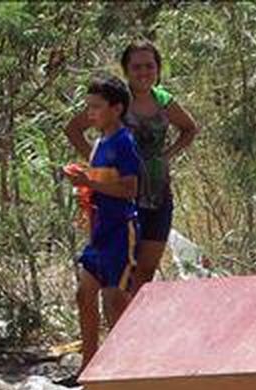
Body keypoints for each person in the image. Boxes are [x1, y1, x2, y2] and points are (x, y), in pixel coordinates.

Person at [68, 40, 197, 295]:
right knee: (122, 270)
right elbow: (74, 129)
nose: (143, 72)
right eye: (136, 67)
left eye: (149, 66)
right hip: (121, 197)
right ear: (126, 70)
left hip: (158, 194)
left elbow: (189, 128)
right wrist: (99, 165)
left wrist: (167, 156)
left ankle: (137, 325)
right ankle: (120, 327)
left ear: (158, 69)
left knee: (146, 271)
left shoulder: (163, 100)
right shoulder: (116, 101)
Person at [63, 76, 140, 366]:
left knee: (115, 300)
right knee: (84, 294)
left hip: (122, 230)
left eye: (96, 107)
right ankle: (89, 364)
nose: (90, 113)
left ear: (116, 108)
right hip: (100, 230)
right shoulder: (98, 143)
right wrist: (83, 181)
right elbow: (99, 181)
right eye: (89, 107)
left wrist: (90, 183)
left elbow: (129, 189)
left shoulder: (124, 142)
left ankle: (122, 365)